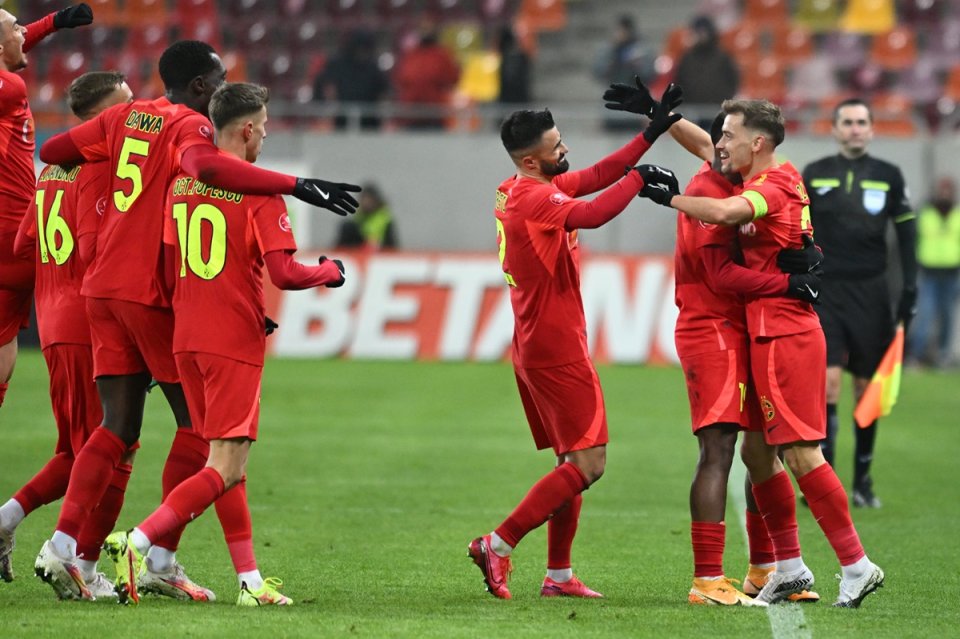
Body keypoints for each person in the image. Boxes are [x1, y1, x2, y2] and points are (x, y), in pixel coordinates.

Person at [32, 40, 362, 603]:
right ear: (204, 89)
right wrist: (297, 184)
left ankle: (65, 549)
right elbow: (201, 165)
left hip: (101, 288)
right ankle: (157, 554)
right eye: (220, 75)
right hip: (152, 295)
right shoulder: (193, 130)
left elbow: (56, 148)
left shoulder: (123, 117)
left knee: (116, 426)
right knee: (209, 437)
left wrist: (115, 165)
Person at [102, 81, 347, 607]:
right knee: (225, 466)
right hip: (230, 340)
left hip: (186, 338)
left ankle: (250, 582)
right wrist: (330, 271)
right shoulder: (260, 191)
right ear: (250, 129)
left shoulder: (182, 187)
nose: (266, 135)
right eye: (265, 125)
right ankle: (137, 542)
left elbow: (169, 269)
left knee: (226, 463)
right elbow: (283, 274)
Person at [637, 99, 885, 608]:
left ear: (757, 143)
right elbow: (710, 150)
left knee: (799, 453)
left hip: (783, 332)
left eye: (730, 135)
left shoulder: (767, 186)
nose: (720, 143)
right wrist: (662, 120)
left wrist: (672, 201)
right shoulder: (755, 171)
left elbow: (728, 213)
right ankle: (788, 568)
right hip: (765, 330)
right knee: (756, 452)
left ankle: (856, 565)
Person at [605, 80, 820, 605]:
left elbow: (704, 143)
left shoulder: (734, 175)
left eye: (728, 137)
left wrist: (660, 114)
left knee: (761, 450)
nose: (718, 145)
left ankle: (765, 568)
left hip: (747, 327)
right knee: (719, 448)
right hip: (711, 329)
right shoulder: (708, 194)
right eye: (720, 138)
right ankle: (706, 579)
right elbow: (722, 278)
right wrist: (789, 282)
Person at [467, 85, 682, 600]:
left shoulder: (518, 187)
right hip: (555, 345)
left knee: (571, 463)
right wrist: (641, 181)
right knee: (590, 463)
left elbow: (592, 179)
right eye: (555, 145)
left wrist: (650, 135)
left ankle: (558, 576)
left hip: (538, 339)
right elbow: (592, 212)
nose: (565, 151)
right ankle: (497, 544)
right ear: (530, 159)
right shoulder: (538, 198)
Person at [0, 71, 131, 597]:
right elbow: (98, 251)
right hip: (87, 325)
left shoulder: (51, 168)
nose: (132, 113)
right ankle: (77, 560)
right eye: (123, 105)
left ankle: (9, 520)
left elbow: (25, 243)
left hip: (54, 323)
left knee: (76, 452)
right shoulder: (97, 165)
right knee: (116, 442)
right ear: (101, 115)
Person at [802, 97, 917, 508]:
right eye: (847, 122)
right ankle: (826, 481)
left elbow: (906, 236)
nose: (854, 128)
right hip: (827, 291)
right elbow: (797, 231)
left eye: (861, 122)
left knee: (866, 390)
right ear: (834, 128)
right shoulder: (815, 174)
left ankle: (863, 479)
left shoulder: (889, 176)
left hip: (872, 292)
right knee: (828, 384)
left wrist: (910, 290)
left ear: (871, 129)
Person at [0, 4, 92, 413]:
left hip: (10, 238)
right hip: (18, 235)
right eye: (15, 27)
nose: (23, 31)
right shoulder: (12, 89)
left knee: (3, 335)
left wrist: (53, 22)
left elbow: (13, 41)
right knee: (103, 274)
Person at [908, 176, 960, 368]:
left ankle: (944, 355)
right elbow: (912, 239)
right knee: (925, 314)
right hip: (928, 271)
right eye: (942, 190)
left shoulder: (957, 213)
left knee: (947, 316)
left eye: (948, 190)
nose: (944, 194)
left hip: (952, 272)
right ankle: (917, 356)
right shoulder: (924, 212)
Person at [312, 29, 388, 131]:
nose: (362, 53)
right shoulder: (336, 64)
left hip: (369, 123)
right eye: (360, 49)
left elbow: (383, 94)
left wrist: (383, 118)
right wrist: (329, 112)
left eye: (365, 49)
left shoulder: (373, 67)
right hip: (340, 121)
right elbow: (327, 89)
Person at [673, 16, 740, 129]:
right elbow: (680, 82)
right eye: (698, 32)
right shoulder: (687, 58)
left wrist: (724, 100)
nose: (701, 35)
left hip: (717, 109)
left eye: (704, 31)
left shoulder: (723, 57)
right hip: (693, 111)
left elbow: (733, 81)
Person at [593, 14, 655, 131]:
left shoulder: (642, 50)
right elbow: (598, 71)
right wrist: (613, 60)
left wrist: (636, 66)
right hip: (613, 101)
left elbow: (649, 75)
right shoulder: (608, 49)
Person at [392, 25, 460, 130]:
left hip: (432, 113)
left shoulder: (440, 55)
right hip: (416, 114)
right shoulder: (413, 55)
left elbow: (453, 78)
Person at [334, 183, 397, 250]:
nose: (366, 202)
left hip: (379, 250)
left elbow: (391, 245)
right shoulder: (358, 218)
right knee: (347, 227)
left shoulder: (385, 219)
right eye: (364, 199)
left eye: (369, 199)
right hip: (360, 249)